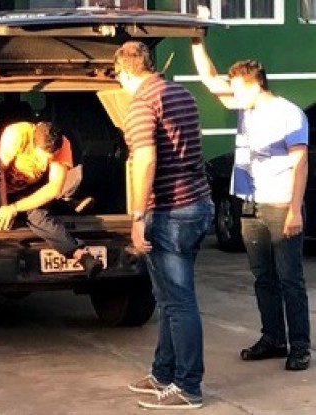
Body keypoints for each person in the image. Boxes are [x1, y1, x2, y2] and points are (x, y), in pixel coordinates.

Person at [191, 37, 311, 371]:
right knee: (263, 278)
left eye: (237, 89)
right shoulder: (247, 107)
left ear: (256, 85)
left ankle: (300, 346)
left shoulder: (289, 114)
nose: (232, 95)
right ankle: (273, 338)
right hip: (250, 205)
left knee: (290, 279)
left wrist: (294, 210)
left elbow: (300, 163)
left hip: (280, 205)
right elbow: (209, 79)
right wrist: (197, 39)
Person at [115, 41, 213, 410]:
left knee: (179, 301)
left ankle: (188, 387)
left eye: (118, 77)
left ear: (125, 71)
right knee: (169, 299)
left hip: (170, 212)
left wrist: (138, 216)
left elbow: (146, 160)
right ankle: (163, 372)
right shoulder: (181, 93)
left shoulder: (141, 103)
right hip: (198, 203)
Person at [0, 120, 103, 277]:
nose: (44, 163)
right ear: (33, 143)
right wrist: (4, 207)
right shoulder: (17, 135)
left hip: (30, 190)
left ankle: (80, 255)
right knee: (35, 214)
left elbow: (53, 188)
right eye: (41, 157)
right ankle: (67, 206)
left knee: (38, 216)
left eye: (50, 158)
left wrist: (14, 208)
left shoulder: (62, 144)